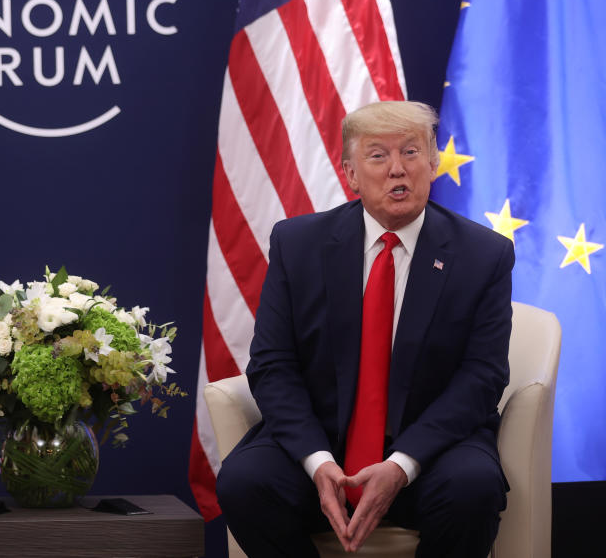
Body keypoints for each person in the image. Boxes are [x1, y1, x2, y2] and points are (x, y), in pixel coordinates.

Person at [216, 101, 512, 557]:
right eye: (378, 156)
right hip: (322, 445)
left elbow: (482, 376)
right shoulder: (298, 245)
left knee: (472, 488)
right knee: (245, 483)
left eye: (412, 153)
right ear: (351, 174)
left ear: (432, 164)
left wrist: (401, 464)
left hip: (429, 451)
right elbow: (273, 365)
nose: (398, 170)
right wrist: (318, 462)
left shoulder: (483, 254)